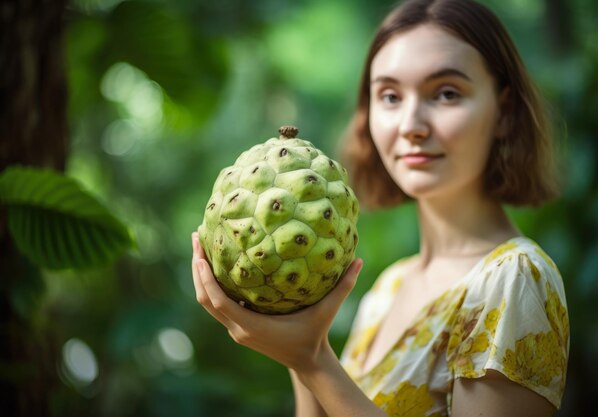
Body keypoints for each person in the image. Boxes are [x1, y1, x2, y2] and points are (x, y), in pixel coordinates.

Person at [190, 0, 569, 415]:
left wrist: (312, 361)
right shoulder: (387, 290)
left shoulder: (514, 279)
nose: (411, 124)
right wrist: (291, 327)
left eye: (446, 93)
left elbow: (318, 370)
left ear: (505, 112)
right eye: (389, 96)